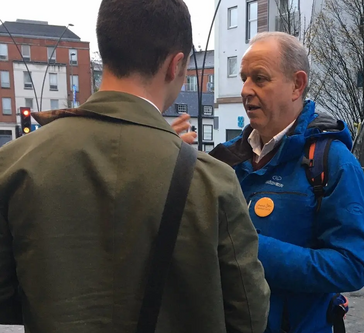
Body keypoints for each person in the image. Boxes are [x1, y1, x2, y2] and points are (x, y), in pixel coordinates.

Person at [0, 0, 270, 332]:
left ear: (106, 48)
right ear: (176, 65)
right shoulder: (211, 181)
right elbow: (250, 314)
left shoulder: (14, 164)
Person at [209, 32, 364, 333]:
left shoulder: (334, 163)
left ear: (297, 85)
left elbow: (353, 265)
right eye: (244, 78)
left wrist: (251, 250)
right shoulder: (225, 159)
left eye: (259, 78)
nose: (246, 89)